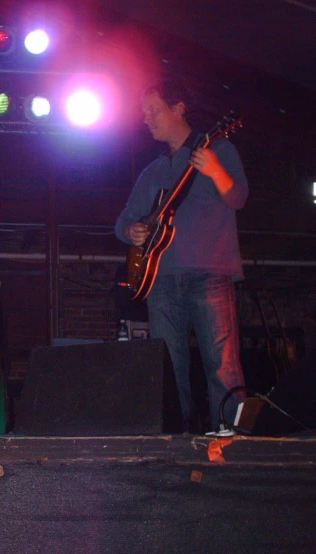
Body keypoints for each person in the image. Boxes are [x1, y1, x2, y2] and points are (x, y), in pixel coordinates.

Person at [114, 78, 249, 434]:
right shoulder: (152, 172)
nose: (146, 118)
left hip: (210, 273)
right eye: (144, 112)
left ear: (178, 109)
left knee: (221, 365)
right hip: (161, 281)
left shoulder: (219, 148)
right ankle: (176, 440)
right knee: (169, 368)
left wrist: (215, 171)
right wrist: (133, 232)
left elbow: (238, 198)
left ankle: (232, 443)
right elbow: (124, 222)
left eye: (153, 110)